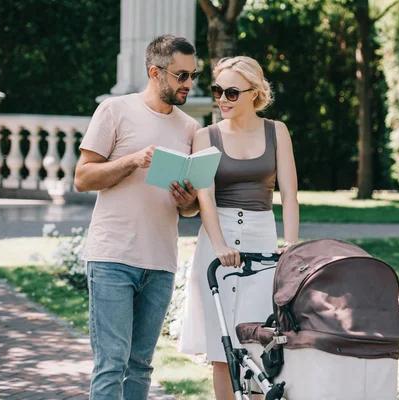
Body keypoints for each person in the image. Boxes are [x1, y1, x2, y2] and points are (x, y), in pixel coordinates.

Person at [74, 34, 201, 400]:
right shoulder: (115, 110)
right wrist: (131, 160)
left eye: (192, 75)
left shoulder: (190, 128)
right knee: (112, 363)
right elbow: (83, 178)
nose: (188, 84)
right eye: (180, 75)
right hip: (113, 257)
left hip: (161, 262)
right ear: (154, 72)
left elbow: (190, 209)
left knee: (141, 365)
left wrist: (188, 200)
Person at [179, 56, 299, 400]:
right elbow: (205, 197)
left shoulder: (277, 131)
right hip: (219, 237)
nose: (222, 99)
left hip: (262, 233)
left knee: (260, 338)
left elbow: (289, 194)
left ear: (254, 93)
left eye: (232, 92)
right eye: (218, 91)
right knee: (223, 347)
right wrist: (218, 245)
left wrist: (290, 245)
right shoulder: (205, 137)